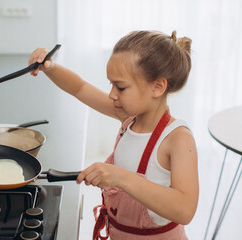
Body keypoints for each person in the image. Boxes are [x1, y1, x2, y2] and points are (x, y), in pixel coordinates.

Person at [28, 30, 198, 240]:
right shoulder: (129, 117)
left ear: (157, 87)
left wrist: (120, 177)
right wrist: (50, 67)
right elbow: (80, 88)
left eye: (121, 87)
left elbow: (185, 209)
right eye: (111, 84)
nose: (112, 94)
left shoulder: (178, 138)